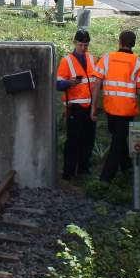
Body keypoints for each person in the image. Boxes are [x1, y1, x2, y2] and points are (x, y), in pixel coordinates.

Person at [96, 29, 140, 183]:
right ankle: (117, 172)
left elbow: (98, 81)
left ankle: (106, 178)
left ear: (119, 42)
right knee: (118, 140)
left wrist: (95, 105)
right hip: (127, 109)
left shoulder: (107, 58)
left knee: (117, 138)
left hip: (110, 106)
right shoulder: (139, 63)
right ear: (133, 44)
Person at [55, 29, 99, 180]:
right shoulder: (66, 61)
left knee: (88, 139)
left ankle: (83, 169)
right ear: (74, 43)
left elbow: (96, 82)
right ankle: (68, 171)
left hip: (90, 106)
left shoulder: (93, 59)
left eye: (86, 45)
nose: (84, 48)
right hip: (75, 107)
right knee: (73, 140)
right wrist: (69, 83)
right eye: (81, 44)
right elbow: (58, 85)